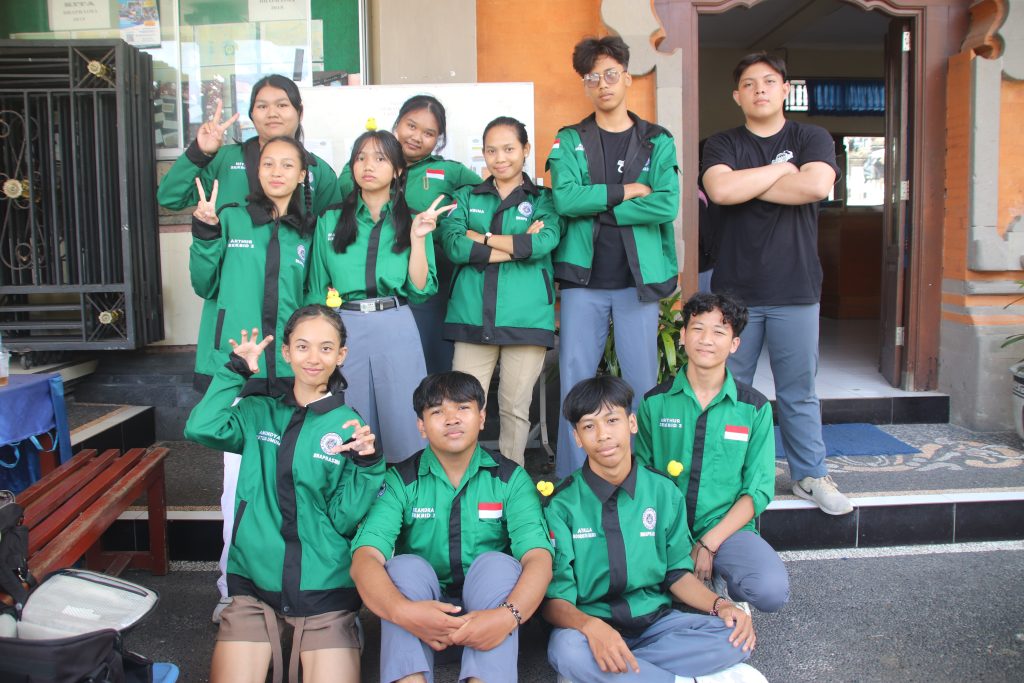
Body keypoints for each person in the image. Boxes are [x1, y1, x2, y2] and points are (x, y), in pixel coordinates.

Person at [158, 74, 342, 623]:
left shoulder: (308, 231)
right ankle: (230, 587)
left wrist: (316, 362)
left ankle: (295, 584)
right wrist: (204, 232)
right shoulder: (233, 215)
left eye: (288, 165)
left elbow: (314, 301)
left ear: (304, 173)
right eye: (268, 164)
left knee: (291, 477)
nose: (277, 171)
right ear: (256, 169)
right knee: (236, 486)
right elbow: (203, 283)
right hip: (236, 367)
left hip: (291, 373)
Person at [184, 305, 385, 683]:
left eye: (326, 348)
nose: (314, 358)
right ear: (286, 352)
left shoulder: (349, 426)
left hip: (324, 587)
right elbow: (201, 427)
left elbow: (342, 519)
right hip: (254, 585)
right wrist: (235, 371)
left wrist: (368, 465)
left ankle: (346, 627)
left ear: (341, 355)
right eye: (303, 346)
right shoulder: (257, 411)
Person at [701, 52, 853, 515]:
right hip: (734, 293)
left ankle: (809, 475)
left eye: (769, 82)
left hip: (796, 288)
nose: (760, 90)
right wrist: (784, 170)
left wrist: (747, 185)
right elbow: (721, 190)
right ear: (737, 95)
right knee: (729, 390)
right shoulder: (722, 143)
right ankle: (727, 477)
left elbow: (816, 187)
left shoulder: (811, 137)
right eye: (749, 84)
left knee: (798, 390)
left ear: (785, 89)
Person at [543, 376, 759, 682]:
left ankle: (608, 673)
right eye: (589, 426)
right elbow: (554, 602)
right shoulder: (562, 505)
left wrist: (721, 605)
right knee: (566, 651)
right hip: (592, 626)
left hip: (656, 625)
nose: (603, 435)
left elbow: (677, 574)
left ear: (631, 423)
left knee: (734, 635)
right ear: (577, 437)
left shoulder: (663, 491)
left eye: (612, 420)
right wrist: (592, 627)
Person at [350, 371, 553, 683]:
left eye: (463, 408)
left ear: (482, 418)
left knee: (497, 565)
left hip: (494, 625)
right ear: (421, 426)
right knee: (404, 567)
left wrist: (506, 616)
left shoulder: (509, 479)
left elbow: (538, 557)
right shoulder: (401, 480)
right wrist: (402, 611)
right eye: (437, 411)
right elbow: (365, 556)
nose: (452, 419)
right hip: (420, 625)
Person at [548, 36, 680, 478]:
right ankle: (571, 480)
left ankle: (643, 479)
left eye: (610, 74)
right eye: (592, 77)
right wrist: (627, 192)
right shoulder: (570, 139)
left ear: (627, 77)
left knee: (641, 384)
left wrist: (603, 205)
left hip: (635, 284)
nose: (602, 84)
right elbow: (565, 200)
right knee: (575, 382)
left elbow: (666, 203)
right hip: (583, 283)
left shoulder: (657, 140)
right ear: (585, 85)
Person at [635, 292, 789, 614]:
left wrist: (709, 542)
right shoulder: (654, 403)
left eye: (719, 331)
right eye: (697, 329)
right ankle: (688, 586)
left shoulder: (753, 408)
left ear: (734, 344)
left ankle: (721, 577)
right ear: (683, 336)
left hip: (726, 529)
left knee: (770, 589)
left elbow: (758, 490)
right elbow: (642, 477)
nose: (706, 340)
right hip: (665, 529)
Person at [307, 130, 450, 463]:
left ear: (398, 170)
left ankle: (405, 491)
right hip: (343, 328)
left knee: (404, 422)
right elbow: (316, 289)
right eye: (360, 158)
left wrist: (418, 239)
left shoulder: (414, 220)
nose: (368, 165)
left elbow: (420, 288)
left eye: (380, 158)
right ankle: (352, 491)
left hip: (395, 323)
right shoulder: (330, 219)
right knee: (347, 422)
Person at [441, 116, 561, 466]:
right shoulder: (466, 197)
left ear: (525, 150)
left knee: (515, 409)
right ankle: (463, 479)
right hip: (471, 316)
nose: (500, 158)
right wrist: (516, 245)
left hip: (527, 319)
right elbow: (454, 245)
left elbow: (543, 242)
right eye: (491, 150)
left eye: (509, 149)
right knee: (462, 407)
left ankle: (512, 483)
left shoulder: (544, 199)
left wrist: (481, 238)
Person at [341, 95, 482, 375]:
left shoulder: (450, 171)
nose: (417, 137)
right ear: (397, 124)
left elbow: (490, 199)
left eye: (429, 133)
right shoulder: (364, 163)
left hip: (429, 281)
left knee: (429, 362)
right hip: (378, 280)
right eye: (411, 126)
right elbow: (344, 198)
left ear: (439, 139)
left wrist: (458, 233)